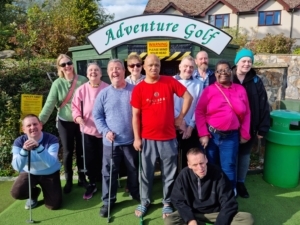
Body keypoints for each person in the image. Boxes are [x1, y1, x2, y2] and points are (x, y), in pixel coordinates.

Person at [131, 54, 193, 219]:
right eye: (150, 65)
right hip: (147, 139)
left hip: (168, 137)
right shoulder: (139, 88)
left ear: (160, 66)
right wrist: (137, 138)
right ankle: (145, 201)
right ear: (144, 67)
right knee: (146, 173)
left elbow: (188, 97)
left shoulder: (169, 81)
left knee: (169, 172)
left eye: (157, 65)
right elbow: (135, 116)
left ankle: (167, 202)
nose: (154, 68)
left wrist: (180, 118)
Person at [93, 59, 139, 218]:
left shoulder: (135, 90)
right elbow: (97, 116)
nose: (115, 72)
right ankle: (108, 201)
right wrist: (105, 131)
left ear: (124, 71)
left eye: (118, 68)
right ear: (108, 72)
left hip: (131, 141)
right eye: (112, 69)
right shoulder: (103, 93)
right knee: (109, 173)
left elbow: (142, 114)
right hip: (110, 142)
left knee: (133, 170)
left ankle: (135, 192)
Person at [195, 60, 251, 192]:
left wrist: (245, 133)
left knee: (229, 166)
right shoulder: (209, 91)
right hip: (212, 136)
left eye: (226, 70)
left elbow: (247, 112)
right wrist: (203, 134)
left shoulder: (240, 89)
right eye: (220, 70)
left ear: (231, 72)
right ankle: (212, 191)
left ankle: (229, 192)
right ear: (215, 73)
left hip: (231, 136)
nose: (223, 73)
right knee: (210, 165)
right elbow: (199, 112)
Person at [164, 148, 254, 225]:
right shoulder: (184, 175)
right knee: (169, 221)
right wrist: (190, 220)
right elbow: (177, 200)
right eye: (195, 165)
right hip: (193, 212)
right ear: (189, 165)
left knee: (247, 218)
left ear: (206, 159)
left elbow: (229, 203)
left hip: (215, 213)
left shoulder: (218, 173)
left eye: (202, 163)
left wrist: (220, 223)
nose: (200, 168)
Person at [39, 54, 88, 194]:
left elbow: (91, 100)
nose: (67, 66)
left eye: (69, 63)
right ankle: (68, 180)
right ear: (59, 67)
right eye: (63, 64)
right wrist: (40, 122)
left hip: (81, 122)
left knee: (81, 151)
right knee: (67, 151)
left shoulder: (83, 80)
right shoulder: (57, 84)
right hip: (65, 122)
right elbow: (50, 104)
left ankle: (82, 178)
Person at [232, 48, 270, 198]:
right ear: (237, 62)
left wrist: (263, 128)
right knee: (230, 156)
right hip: (230, 127)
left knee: (244, 156)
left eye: (249, 61)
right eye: (244, 60)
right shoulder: (228, 77)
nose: (247, 64)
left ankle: (240, 182)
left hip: (250, 127)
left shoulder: (256, 81)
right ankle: (230, 182)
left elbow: (263, 104)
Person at [71, 62, 109, 200]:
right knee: (90, 159)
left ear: (101, 73)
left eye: (96, 70)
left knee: (105, 158)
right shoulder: (81, 90)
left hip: (105, 131)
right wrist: (77, 116)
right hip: (87, 130)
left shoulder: (107, 88)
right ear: (87, 74)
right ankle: (92, 183)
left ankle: (106, 182)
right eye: (91, 70)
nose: (93, 72)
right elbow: (74, 107)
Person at [11, 114, 62, 210]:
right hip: (30, 172)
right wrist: (24, 151)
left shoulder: (52, 139)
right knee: (16, 193)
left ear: (40, 125)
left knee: (53, 205)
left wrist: (39, 147)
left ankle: (49, 191)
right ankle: (34, 193)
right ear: (23, 129)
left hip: (49, 173)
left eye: (35, 124)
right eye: (28, 125)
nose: (32, 127)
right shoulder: (18, 142)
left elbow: (51, 163)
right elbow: (17, 167)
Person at [173, 55, 203, 170]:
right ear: (180, 66)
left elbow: (199, 107)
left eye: (191, 67)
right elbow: (169, 105)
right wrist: (181, 121)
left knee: (189, 159)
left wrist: (190, 125)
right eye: (185, 66)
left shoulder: (198, 84)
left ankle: (189, 183)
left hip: (191, 128)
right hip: (174, 126)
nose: (188, 69)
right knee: (174, 159)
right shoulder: (171, 81)